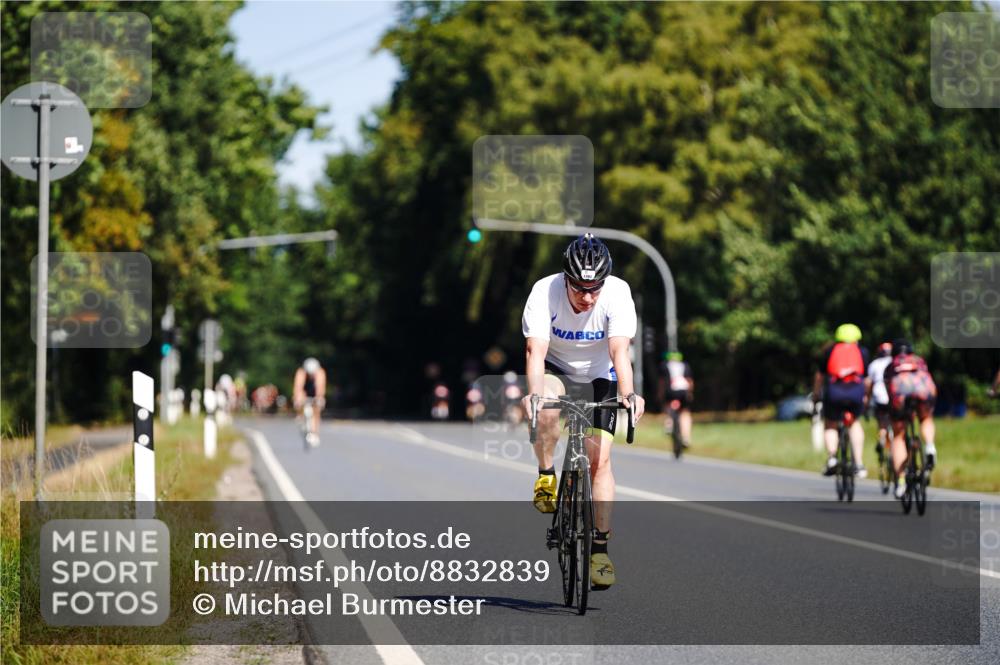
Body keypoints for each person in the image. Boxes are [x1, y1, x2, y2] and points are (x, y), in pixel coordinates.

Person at [521, 233, 645, 590]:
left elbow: (620, 351)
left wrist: (629, 394)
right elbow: (535, 351)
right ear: (565, 279)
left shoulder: (618, 293)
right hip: (556, 368)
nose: (588, 296)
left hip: (599, 374)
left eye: (595, 288)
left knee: (600, 460)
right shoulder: (544, 292)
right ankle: (546, 474)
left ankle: (600, 551)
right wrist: (533, 395)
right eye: (579, 288)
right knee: (545, 407)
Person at [811, 323, 869, 479]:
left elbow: (820, 376)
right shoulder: (862, 352)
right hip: (856, 391)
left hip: (834, 391)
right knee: (855, 423)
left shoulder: (830, 351)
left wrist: (816, 395)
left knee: (830, 423)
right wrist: (866, 397)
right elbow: (867, 379)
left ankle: (832, 458)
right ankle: (858, 464)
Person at [884, 339, 937, 499]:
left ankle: (901, 481)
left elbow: (889, 390)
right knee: (925, 419)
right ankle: (929, 446)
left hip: (900, 393)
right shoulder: (919, 361)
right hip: (924, 390)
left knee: (899, 435)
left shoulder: (891, 365)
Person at [865, 342, 894, 461]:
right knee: (895, 422)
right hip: (893, 396)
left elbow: (868, 383)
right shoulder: (895, 361)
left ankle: (882, 437)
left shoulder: (874, 364)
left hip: (879, 395)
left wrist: (867, 399)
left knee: (882, 422)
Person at [659, 351, 694, 449]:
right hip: (684, 391)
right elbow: (689, 381)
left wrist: (660, 395)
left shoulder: (665, 365)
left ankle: (669, 424)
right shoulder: (685, 365)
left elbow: (662, 382)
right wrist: (690, 394)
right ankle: (686, 437)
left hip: (670, 391)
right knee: (685, 413)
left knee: (668, 405)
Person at [293, 357, 326, 446]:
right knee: (299, 402)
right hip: (305, 391)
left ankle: (315, 433)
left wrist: (319, 398)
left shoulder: (320, 373)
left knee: (317, 409)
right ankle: (300, 415)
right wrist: (298, 399)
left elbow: (320, 388)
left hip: (314, 392)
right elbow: (298, 387)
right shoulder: (301, 372)